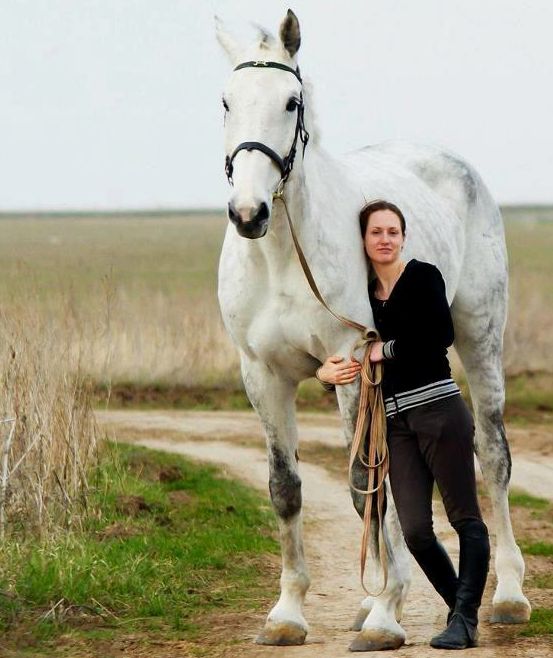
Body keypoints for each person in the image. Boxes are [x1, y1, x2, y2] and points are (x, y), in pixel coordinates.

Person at [316, 200, 490, 650]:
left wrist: (382, 351)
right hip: (395, 423)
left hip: (441, 411)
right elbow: (347, 354)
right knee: (414, 529)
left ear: (403, 236)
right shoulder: (364, 298)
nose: (386, 239)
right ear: (365, 240)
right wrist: (325, 373)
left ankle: (464, 618)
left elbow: (439, 336)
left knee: (465, 518)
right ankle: (461, 608)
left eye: (393, 231)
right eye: (377, 232)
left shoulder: (424, 276)